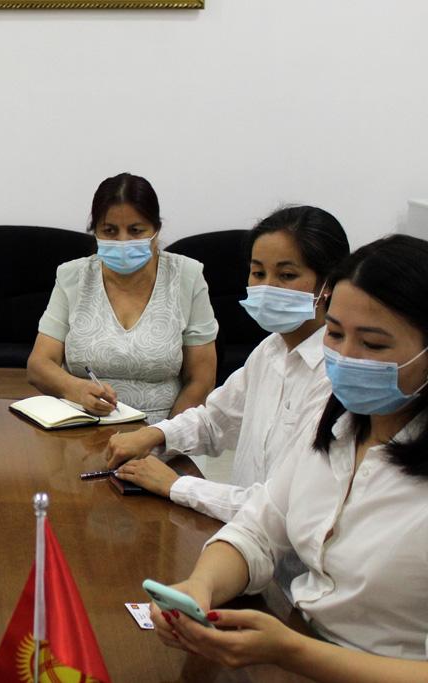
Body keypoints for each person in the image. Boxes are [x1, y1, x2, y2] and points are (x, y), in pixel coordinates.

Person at [150, 235, 428, 682]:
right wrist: (200, 587)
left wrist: (293, 652)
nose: (344, 357)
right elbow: (258, 528)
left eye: (373, 345)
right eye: (334, 333)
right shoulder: (336, 425)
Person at [107, 207, 350, 521]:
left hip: (284, 545)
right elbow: (214, 421)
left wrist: (177, 485)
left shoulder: (336, 376)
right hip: (240, 534)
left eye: (287, 275)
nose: (267, 287)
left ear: (328, 283)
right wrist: (155, 435)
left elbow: (282, 507)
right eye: (258, 273)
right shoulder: (270, 350)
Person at [27, 173, 217, 423]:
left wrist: (162, 436)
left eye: (136, 231)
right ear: (95, 232)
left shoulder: (187, 276)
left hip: (165, 428)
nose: (123, 241)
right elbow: (39, 365)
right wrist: (76, 389)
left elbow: (201, 380)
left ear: (156, 230)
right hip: (83, 426)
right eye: (110, 231)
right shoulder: (72, 276)